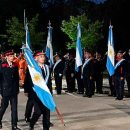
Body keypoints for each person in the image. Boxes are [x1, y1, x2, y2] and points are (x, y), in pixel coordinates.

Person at [24, 50, 51, 130]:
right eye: (41, 57)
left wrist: (50, 93)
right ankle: (31, 123)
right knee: (38, 112)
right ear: (35, 58)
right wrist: (26, 90)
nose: (43, 58)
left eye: (43, 56)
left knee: (47, 113)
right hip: (36, 94)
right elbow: (27, 80)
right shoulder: (32, 69)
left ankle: (46, 128)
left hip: (46, 94)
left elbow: (49, 82)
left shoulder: (47, 67)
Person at [0, 50, 21, 130]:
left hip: (14, 90)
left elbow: (16, 78)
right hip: (5, 90)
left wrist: (17, 88)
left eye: (13, 56)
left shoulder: (15, 65)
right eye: (11, 56)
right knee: (3, 107)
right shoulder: (2, 66)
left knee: (14, 108)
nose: (12, 57)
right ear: (7, 57)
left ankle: (14, 125)